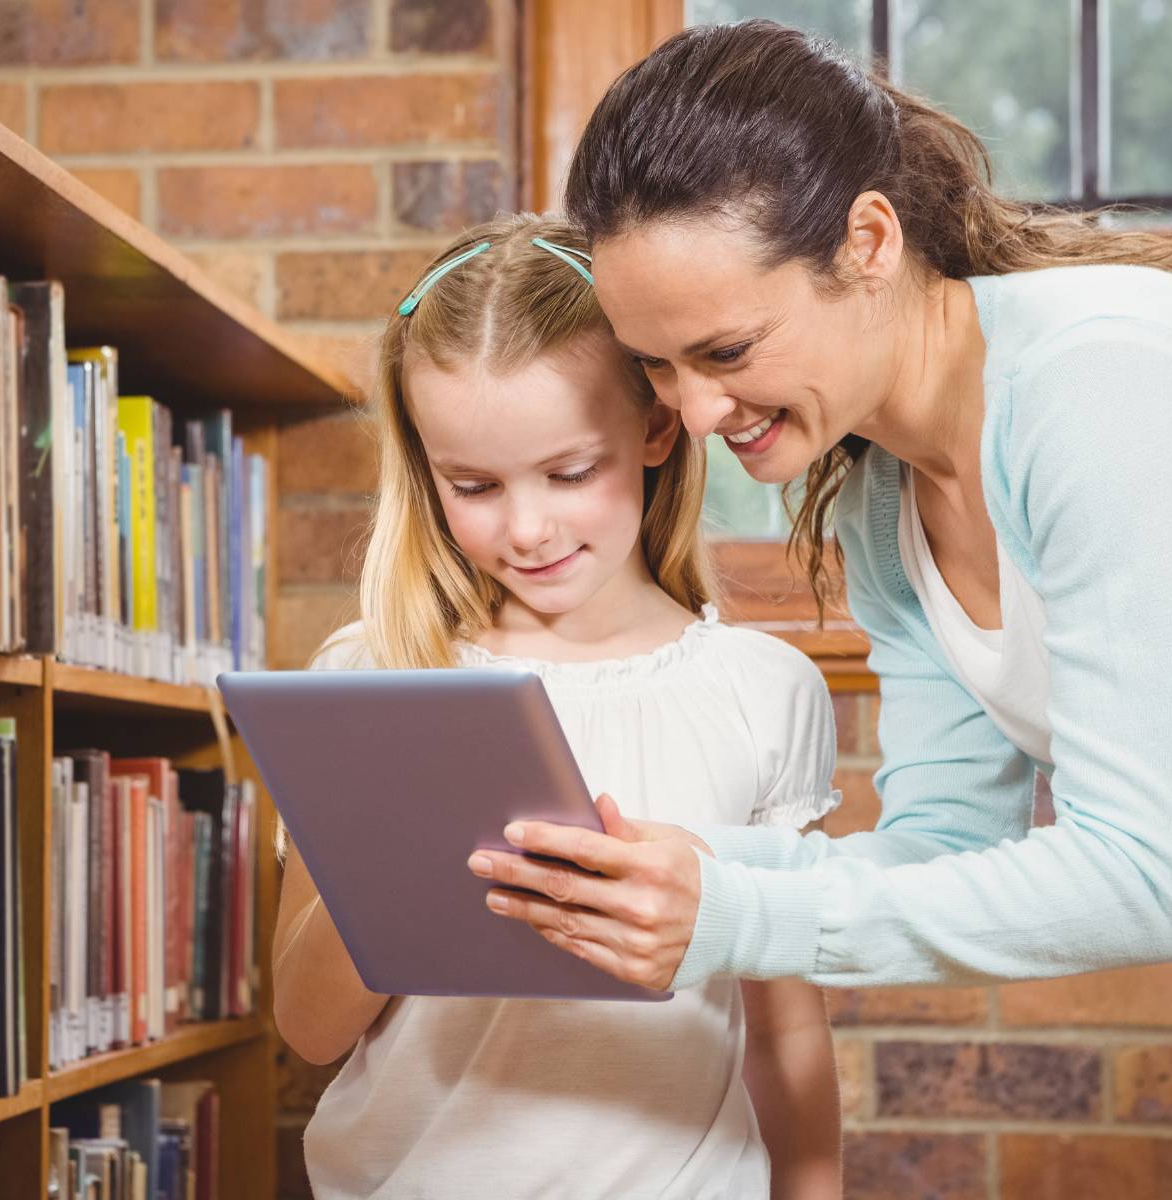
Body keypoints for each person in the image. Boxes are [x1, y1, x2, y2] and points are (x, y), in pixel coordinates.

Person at [465, 21, 1172, 1199]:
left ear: (871, 240)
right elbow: (946, 843)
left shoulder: (1104, 389)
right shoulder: (885, 503)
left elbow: (1139, 881)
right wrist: (672, 861)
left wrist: (733, 914)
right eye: (660, 367)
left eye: (727, 348)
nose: (693, 413)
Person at [272, 213, 845, 1199]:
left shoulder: (760, 690)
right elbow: (308, 1030)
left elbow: (789, 1032)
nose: (528, 527)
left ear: (659, 426)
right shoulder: (373, 676)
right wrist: (396, 856)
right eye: (475, 485)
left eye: (570, 473)